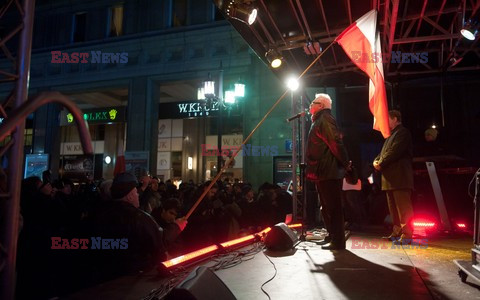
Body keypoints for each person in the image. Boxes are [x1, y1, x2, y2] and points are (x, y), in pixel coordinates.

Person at [306, 93, 350, 250]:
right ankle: (332, 236)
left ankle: (338, 241)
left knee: (333, 207)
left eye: (313, 102)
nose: (310, 105)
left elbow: (335, 143)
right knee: (326, 207)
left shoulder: (324, 119)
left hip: (328, 171)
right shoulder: (320, 120)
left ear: (321, 106)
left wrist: (346, 164)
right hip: (324, 171)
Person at [373, 110, 414, 243]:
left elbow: (394, 151)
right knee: (393, 209)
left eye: (388, 119)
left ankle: (407, 235)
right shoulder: (390, 135)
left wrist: (381, 163)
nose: (386, 122)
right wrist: (376, 161)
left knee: (403, 208)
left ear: (395, 119)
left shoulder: (403, 133)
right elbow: (382, 153)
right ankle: (396, 232)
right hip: (390, 178)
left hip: (400, 177)